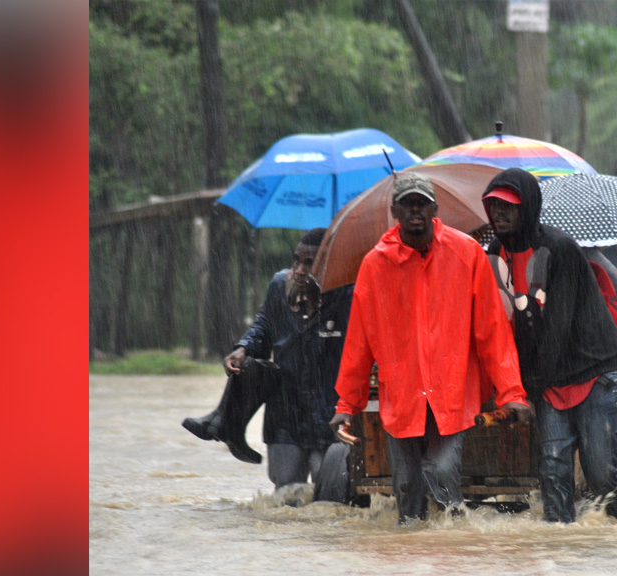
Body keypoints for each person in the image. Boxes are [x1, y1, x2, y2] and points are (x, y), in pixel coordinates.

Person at [329, 173, 532, 523]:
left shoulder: (465, 253)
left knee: (439, 469)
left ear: (435, 209)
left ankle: (455, 540)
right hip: (403, 397)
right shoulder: (375, 265)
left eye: (421, 203)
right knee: (407, 497)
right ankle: (414, 567)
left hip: (453, 394)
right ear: (394, 210)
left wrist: (512, 393)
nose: (415, 211)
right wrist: (346, 404)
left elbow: (493, 332)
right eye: (407, 204)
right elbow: (358, 343)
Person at [481, 168, 617, 523]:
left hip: (595, 373)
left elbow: (558, 328)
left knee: (601, 477)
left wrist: (528, 389)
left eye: (508, 206)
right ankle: (557, 557)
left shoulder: (559, 248)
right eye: (493, 206)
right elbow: (497, 323)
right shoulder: (493, 254)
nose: (499, 214)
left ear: (529, 208)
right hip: (550, 380)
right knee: (553, 474)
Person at [182, 228, 354, 499]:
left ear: (328, 264)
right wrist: (244, 347)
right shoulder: (279, 286)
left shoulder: (347, 294)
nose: (298, 269)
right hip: (286, 411)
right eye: (296, 260)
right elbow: (263, 327)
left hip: (329, 413)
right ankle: (225, 422)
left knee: (330, 497)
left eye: (308, 263)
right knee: (285, 492)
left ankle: (222, 422)